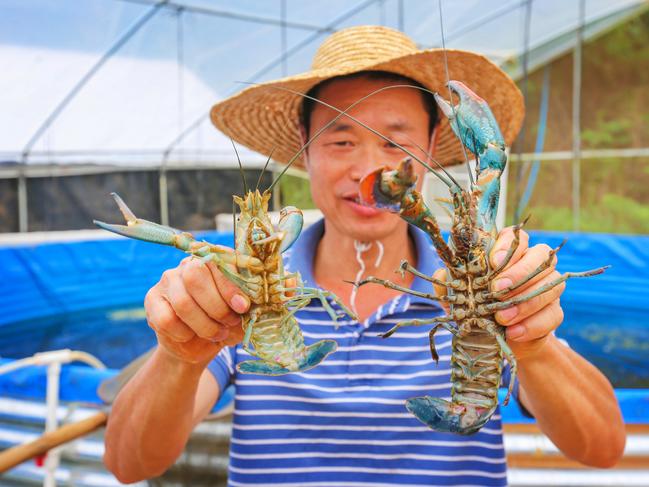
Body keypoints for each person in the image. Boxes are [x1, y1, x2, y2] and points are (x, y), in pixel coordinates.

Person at [104, 26, 625, 486]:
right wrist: (179, 356)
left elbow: (602, 449)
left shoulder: (489, 280)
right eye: (342, 141)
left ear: (431, 145)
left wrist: (532, 342)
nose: (368, 172)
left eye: (395, 142)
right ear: (304, 150)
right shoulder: (239, 299)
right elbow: (129, 464)